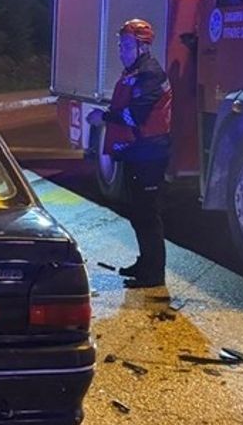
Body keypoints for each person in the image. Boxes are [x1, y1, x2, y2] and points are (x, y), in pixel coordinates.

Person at [86, 19, 172, 289]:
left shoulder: (149, 74)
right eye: (120, 45)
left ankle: (153, 274)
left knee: (147, 214)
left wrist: (104, 117)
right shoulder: (134, 71)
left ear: (142, 46)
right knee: (138, 212)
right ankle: (144, 263)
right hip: (138, 152)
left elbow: (135, 115)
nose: (121, 51)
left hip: (150, 154)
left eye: (125, 45)